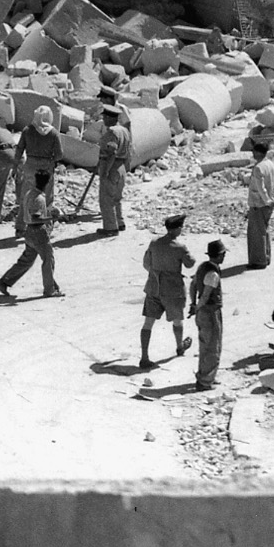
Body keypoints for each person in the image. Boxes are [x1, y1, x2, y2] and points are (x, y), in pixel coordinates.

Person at [140, 214, 197, 369]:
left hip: (154, 287)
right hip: (172, 290)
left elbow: (146, 263)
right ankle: (179, 347)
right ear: (178, 229)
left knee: (148, 322)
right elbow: (190, 264)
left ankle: (144, 357)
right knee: (177, 320)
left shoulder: (154, 243)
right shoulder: (179, 247)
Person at [0, 168, 61, 300]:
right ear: (48, 183)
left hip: (29, 232)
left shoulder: (29, 193)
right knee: (48, 260)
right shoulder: (39, 199)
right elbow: (36, 217)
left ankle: (6, 280)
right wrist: (51, 218)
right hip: (38, 231)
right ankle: (50, 289)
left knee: (26, 260)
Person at [11, 107, 63, 229]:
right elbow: (59, 154)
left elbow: (19, 150)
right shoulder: (54, 133)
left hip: (30, 165)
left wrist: (15, 166)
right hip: (46, 166)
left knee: (27, 196)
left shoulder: (27, 130)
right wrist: (51, 160)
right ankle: (45, 227)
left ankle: (20, 227)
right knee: (47, 198)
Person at [190, 238, 227, 391]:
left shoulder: (202, 268)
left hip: (202, 311)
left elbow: (193, 286)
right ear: (219, 255)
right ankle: (205, 381)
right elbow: (205, 295)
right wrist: (197, 307)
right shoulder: (213, 273)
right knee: (213, 346)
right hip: (210, 312)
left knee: (204, 345)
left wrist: (193, 304)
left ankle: (205, 375)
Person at [95, 101, 132, 235]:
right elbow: (128, 151)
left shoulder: (111, 132)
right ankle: (119, 222)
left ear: (111, 118)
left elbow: (111, 152)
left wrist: (105, 171)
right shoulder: (124, 130)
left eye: (105, 117)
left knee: (106, 199)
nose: (103, 120)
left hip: (112, 167)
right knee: (117, 198)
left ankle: (110, 228)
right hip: (121, 167)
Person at [246, 139, 274, 269]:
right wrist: (273, 199)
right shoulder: (271, 164)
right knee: (264, 231)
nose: (253, 154)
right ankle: (266, 257)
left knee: (256, 233)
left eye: (254, 151)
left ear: (258, 152)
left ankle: (258, 261)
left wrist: (266, 201)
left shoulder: (259, 167)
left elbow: (261, 188)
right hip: (268, 204)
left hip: (258, 204)